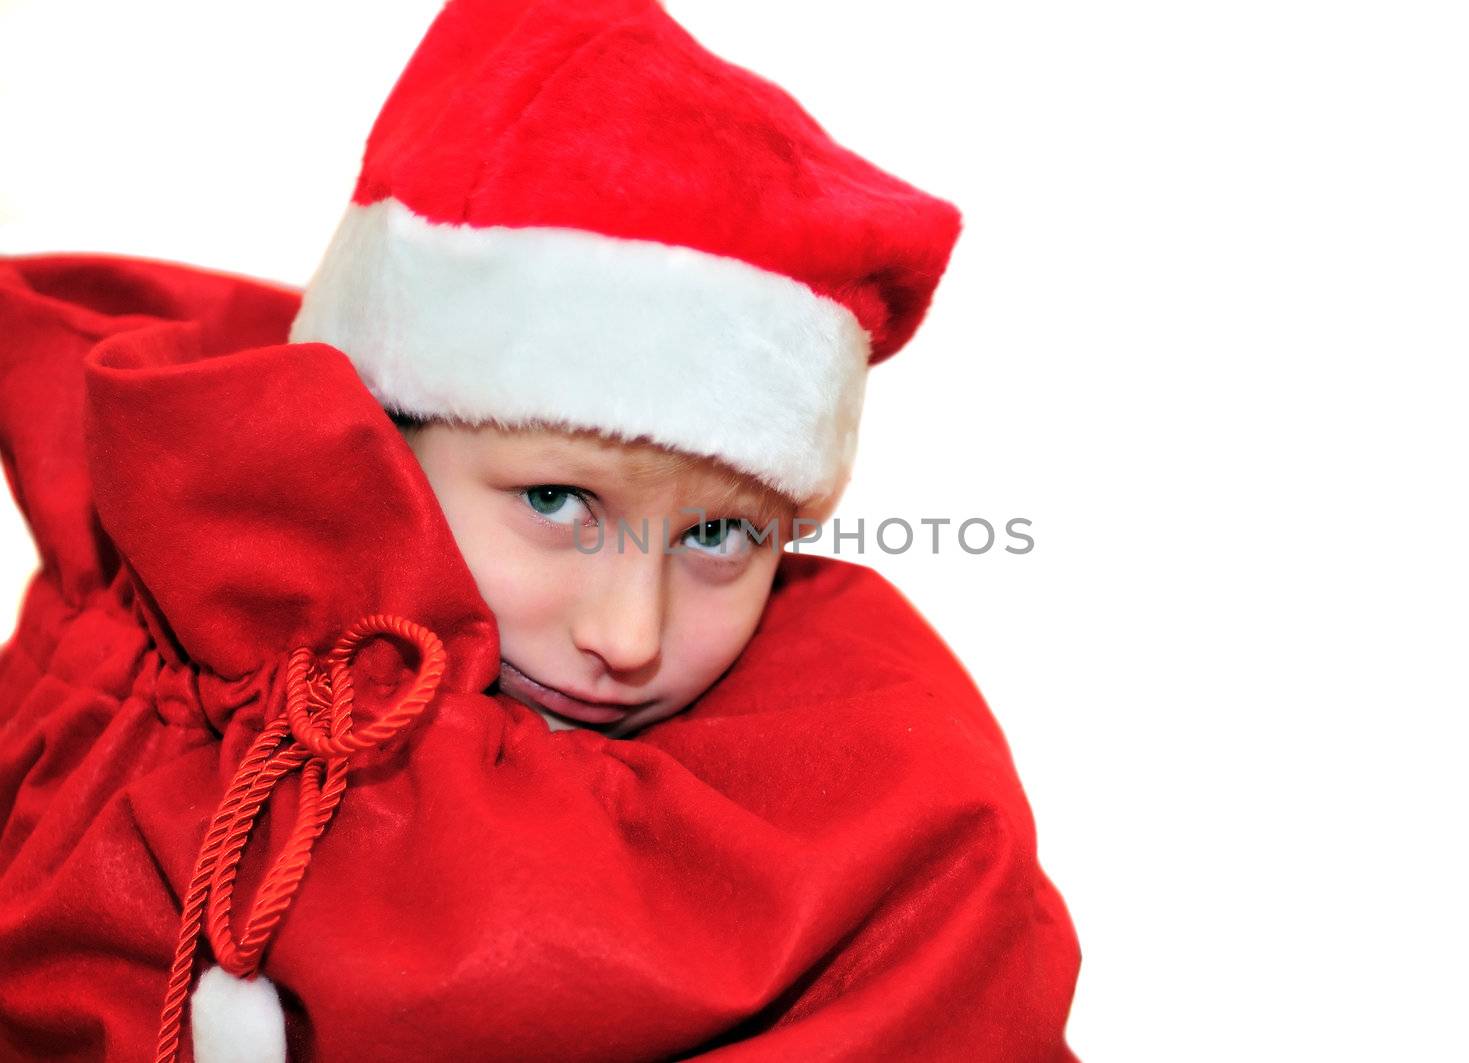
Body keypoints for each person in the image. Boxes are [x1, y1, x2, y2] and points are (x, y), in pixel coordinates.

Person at [0, 0, 1083, 1059]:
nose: (630, 635)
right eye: (558, 503)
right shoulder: (154, 680)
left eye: (717, 536)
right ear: (376, 435)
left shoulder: (886, 772)